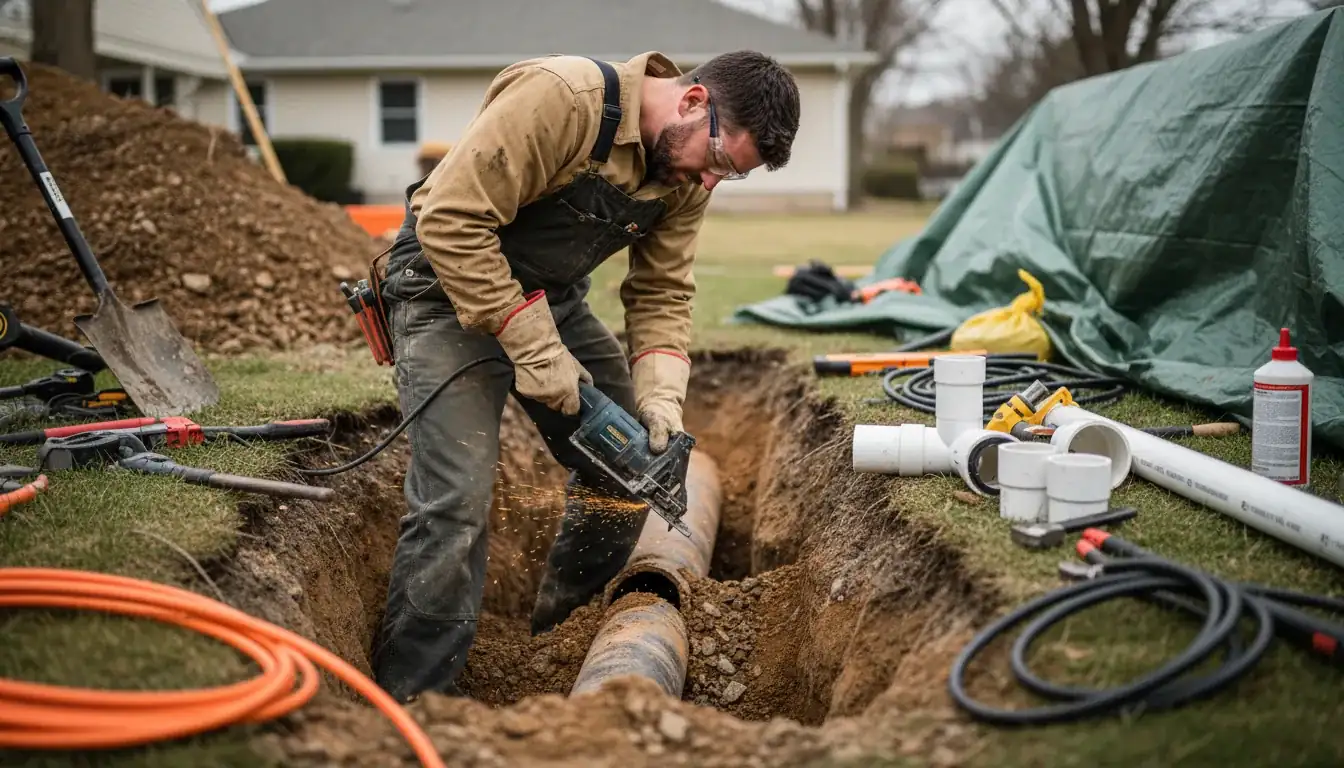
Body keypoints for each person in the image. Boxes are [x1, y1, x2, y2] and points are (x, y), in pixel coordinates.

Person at [370, 49, 801, 703]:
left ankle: (559, 644)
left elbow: (662, 291)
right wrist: (536, 351)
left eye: (730, 176)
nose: (710, 183)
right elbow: (452, 220)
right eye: (716, 161)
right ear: (692, 102)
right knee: (455, 499)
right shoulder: (563, 99)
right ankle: (414, 697)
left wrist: (661, 400)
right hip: (443, 291)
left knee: (629, 467)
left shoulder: (686, 178)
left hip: (550, 301)